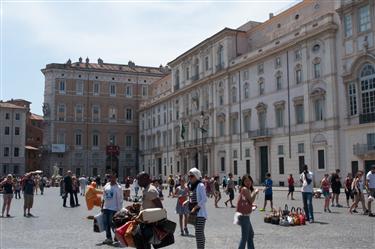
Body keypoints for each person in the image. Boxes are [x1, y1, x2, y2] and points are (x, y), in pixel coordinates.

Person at [134, 172, 163, 249]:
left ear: (145, 179)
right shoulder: (146, 189)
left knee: (144, 244)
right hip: (144, 221)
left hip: (149, 223)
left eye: (139, 180)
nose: (138, 182)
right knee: (141, 242)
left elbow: (160, 207)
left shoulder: (151, 190)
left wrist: (155, 222)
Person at [237, 175, 259, 249]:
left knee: (250, 234)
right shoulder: (245, 189)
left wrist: (252, 205)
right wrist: (255, 192)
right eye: (246, 181)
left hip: (244, 216)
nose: (248, 182)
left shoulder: (245, 189)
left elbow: (246, 201)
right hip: (244, 216)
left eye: (249, 180)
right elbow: (251, 200)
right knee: (244, 238)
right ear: (243, 182)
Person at [101, 172, 123, 245]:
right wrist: (102, 206)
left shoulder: (118, 187)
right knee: (106, 224)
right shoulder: (106, 185)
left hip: (114, 208)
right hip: (106, 207)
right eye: (111, 177)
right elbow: (103, 197)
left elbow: (120, 199)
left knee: (113, 224)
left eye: (114, 177)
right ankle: (108, 238)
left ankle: (116, 237)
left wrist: (119, 210)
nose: (112, 179)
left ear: (116, 178)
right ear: (109, 178)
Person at [188, 168, 207, 249]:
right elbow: (194, 198)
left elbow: (204, 199)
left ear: (196, 176)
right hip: (196, 213)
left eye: (191, 176)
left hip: (200, 214)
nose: (190, 178)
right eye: (189, 176)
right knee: (198, 233)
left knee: (199, 233)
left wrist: (195, 207)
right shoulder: (193, 186)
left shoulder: (200, 185)